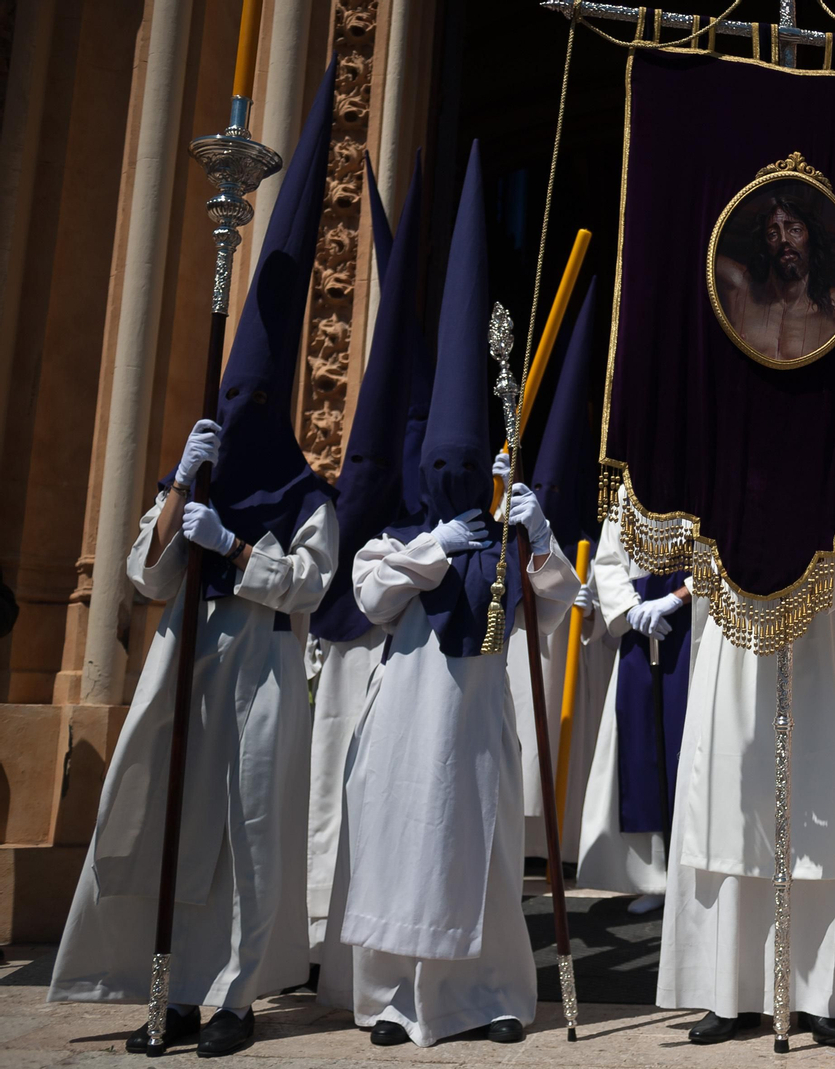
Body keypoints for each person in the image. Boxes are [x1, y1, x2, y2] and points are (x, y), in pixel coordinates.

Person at [48, 64, 340, 1058]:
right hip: (191, 653)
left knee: (250, 832)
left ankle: (234, 998)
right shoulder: (202, 475)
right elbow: (143, 574)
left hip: (260, 662)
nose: (249, 423)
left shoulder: (306, 495)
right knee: (178, 835)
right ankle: (167, 989)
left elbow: (310, 583)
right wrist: (179, 494)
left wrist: (241, 547)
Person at [316, 142, 580, 1048]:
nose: (456, 474)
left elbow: (563, 595)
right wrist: (434, 541)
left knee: (477, 851)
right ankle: (391, 999)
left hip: (477, 712)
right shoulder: (404, 535)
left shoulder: (506, 531)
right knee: (399, 848)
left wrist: (538, 529)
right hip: (406, 708)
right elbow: (373, 593)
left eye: (465, 468)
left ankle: (491, 997)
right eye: (445, 466)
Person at [655, 551, 835, 1046]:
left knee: (827, 800)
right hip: (739, 614)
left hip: (823, 605)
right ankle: (729, 991)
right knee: (731, 808)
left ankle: (824, 996)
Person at [303, 152, 426, 971]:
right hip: (346, 650)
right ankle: (319, 935)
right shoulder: (345, 505)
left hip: (410, 656)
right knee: (327, 799)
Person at [513, 278, 617, 865]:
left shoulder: (595, 541)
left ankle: (567, 840)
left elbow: (604, 610)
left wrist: (587, 605)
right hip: (525, 658)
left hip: (578, 665)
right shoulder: (512, 529)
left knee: (564, 758)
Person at [576, 507, 700, 912]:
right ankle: (655, 875)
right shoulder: (626, 495)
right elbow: (609, 560)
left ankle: (695, 873)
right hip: (640, 622)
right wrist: (629, 609)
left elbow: (724, 555)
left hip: (698, 621)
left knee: (693, 742)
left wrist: (679, 597)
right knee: (642, 743)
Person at [714, 186, 835, 362]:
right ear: (764, 245)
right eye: (772, 233)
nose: (784, 239)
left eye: (794, 230)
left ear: (811, 238)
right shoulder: (738, 289)